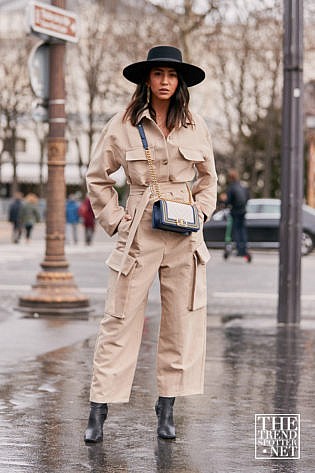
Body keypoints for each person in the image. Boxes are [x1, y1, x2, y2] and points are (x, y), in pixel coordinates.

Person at [84, 45, 217, 443]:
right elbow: (97, 177)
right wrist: (118, 219)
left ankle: (167, 407)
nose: (164, 82)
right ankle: (98, 408)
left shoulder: (195, 125)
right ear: (147, 79)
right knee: (120, 320)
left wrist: (203, 214)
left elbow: (209, 179)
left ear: (180, 83)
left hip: (185, 233)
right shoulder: (122, 124)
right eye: (158, 74)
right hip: (139, 231)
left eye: (171, 75)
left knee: (181, 322)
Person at [226, 169, 251, 262]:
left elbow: (228, 201)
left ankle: (239, 249)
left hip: (235, 211)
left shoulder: (231, 187)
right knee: (242, 230)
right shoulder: (242, 186)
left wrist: (225, 202)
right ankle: (243, 248)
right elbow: (248, 197)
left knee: (236, 230)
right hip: (243, 211)